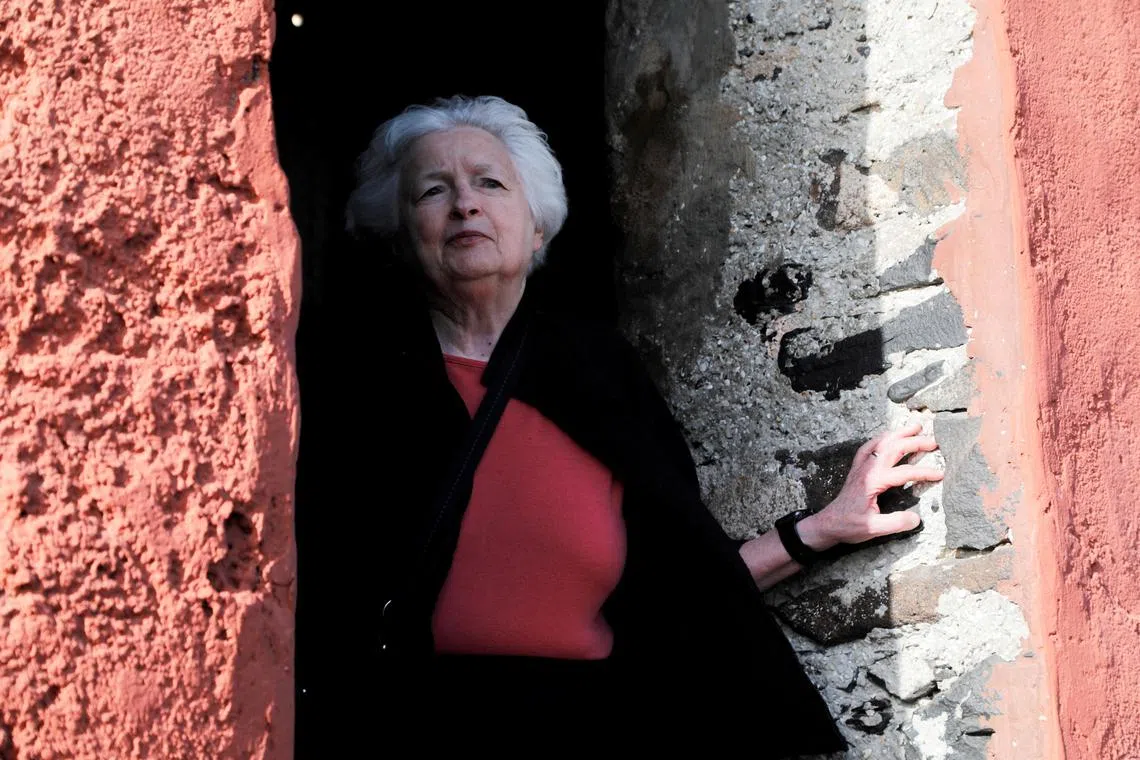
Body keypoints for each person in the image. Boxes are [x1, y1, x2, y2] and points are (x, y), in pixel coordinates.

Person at [294, 95, 943, 756]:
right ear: (399, 234)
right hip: (413, 729)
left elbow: (688, 593)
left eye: (490, 183)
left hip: (595, 729)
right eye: (433, 190)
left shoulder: (597, 373)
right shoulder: (354, 384)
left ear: (537, 226)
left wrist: (822, 529)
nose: (466, 203)